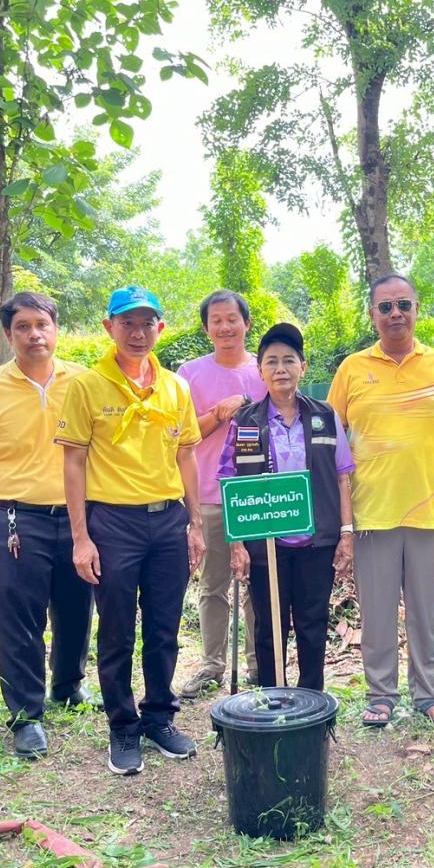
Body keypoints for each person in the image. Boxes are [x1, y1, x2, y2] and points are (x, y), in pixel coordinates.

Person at [55, 286, 205, 777]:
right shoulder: (86, 386)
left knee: (164, 628)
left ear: (161, 328)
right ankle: (122, 724)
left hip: (168, 522)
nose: (138, 334)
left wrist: (195, 524)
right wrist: (81, 537)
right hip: (112, 522)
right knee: (117, 628)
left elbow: (186, 454)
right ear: (109, 328)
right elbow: (73, 461)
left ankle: (159, 716)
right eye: (127, 324)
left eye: (147, 324)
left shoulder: (175, 387)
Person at [0, 292, 93, 760]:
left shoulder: (84, 383)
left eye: (42, 324)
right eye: (23, 327)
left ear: (56, 329)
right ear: (9, 335)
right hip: (9, 520)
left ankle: (67, 686)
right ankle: (26, 716)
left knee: (76, 608)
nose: (35, 334)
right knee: (15, 620)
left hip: (77, 519)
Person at [328, 273, 434, 731]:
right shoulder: (352, 369)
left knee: (426, 610)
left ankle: (428, 694)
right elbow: (331, 441)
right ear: (372, 315)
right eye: (385, 307)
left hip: (428, 510)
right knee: (375, 610)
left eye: (403, 305)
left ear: (416, 310)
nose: (395, 314)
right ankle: (380, 695)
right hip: (372, 511)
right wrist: (342, 518)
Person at [218, 323, 355, 690]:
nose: (281, 369)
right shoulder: (245, 423)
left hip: (317, 542)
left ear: (303, 368)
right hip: (265, 545)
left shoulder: (325, 416)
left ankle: (312, 701)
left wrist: (346, 533)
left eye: (289, 361)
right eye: (272, 362)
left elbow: (343, 476)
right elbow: (232, 482)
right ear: (260, 370)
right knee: (268, 626)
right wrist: (236, 544)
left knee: (313, 624)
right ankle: (272, 698)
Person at [177, 290, 266, 699]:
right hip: (208, 492)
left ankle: (258, 663)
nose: (225, 327)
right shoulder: (189, 373)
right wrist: (219, 412)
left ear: (246, 323)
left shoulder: (266, 370)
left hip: (258, 495)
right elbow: (177, 436)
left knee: (258, 583)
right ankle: (212, 665)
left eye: (233, 318)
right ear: (206, 327)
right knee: (213, 585)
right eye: (217, 320)